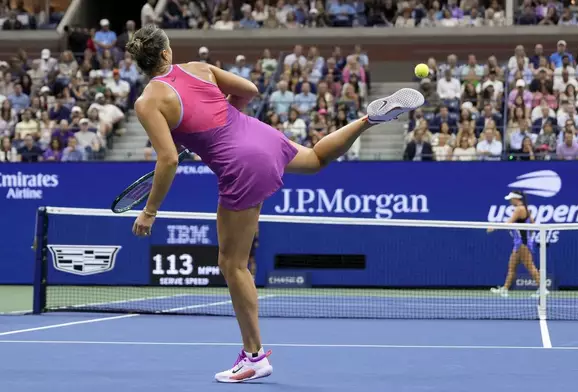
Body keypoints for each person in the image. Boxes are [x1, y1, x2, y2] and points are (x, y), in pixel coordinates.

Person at [124, 24, 424, 383]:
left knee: (232, 264)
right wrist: (219, 125)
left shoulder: (147, 103)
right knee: (314, 159)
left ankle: (253, 357)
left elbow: (168, 159)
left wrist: (150, 210)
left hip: (240, 163)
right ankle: (366, 120)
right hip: (256, 133)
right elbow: (249, 90)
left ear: (140, 64)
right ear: (166, 54)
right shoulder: (196, 68)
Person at [487, 191, 545, 298]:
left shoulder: (520, 209)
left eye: (511, 199)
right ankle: (505, 289)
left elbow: (508, 223)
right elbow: (532, 223)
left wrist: (494, 227)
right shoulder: (526, 209)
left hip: (523, 243)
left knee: (530, 266)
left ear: (516, 199)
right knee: (512, 266)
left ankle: (542, 289)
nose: (510, 201)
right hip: (519, 243)